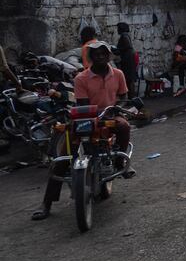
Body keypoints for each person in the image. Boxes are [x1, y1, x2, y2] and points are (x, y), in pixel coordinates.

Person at [35, 41, 132, 221]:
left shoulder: (118, 74)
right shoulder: (81, 78)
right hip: (86, 118)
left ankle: (120, 161)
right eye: (96, 54)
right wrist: (92, 118)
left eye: (104, 53)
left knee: (124, 126)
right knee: (62, 159)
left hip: (109, 115)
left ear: (108, 55)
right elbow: (82, 105)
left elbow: (123, 96)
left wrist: (117, 107)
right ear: (91, 57)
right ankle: (46, 204)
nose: (100, 56)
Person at [115, 22, 137, 96]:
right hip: (129, 58)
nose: (117, 30)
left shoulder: (124, 36)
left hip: (128, 59)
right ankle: (131, 96)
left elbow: (126, 47)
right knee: (130, 79)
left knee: (128, 79)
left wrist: (117, 50)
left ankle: (131, 97)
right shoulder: (126, 35)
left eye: (118, 28)